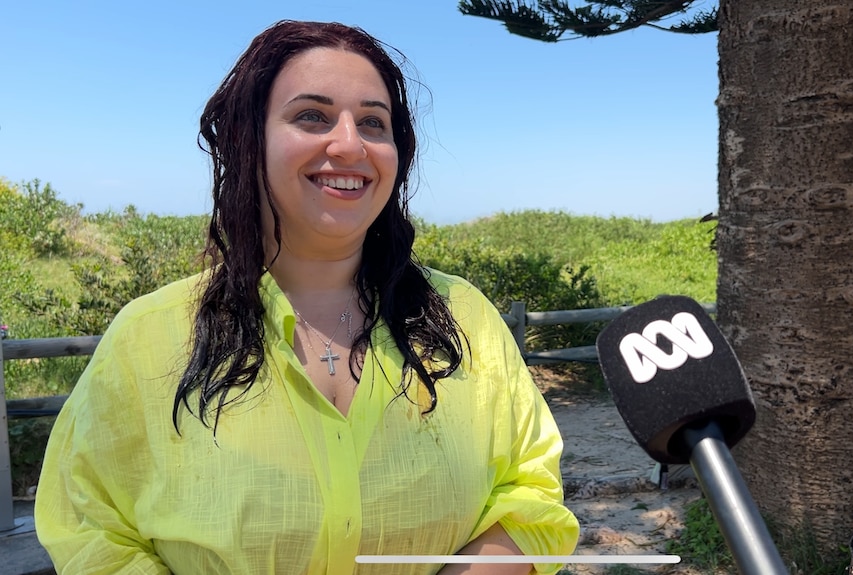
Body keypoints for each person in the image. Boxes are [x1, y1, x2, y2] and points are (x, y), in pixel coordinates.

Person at [34, 20, 580, 574]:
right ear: (251, 142)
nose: (349, 143)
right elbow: (91, 527)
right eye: (311, 116)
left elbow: (530, 487)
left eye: (373, 122)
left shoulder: (465, 318)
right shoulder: (146, 337)